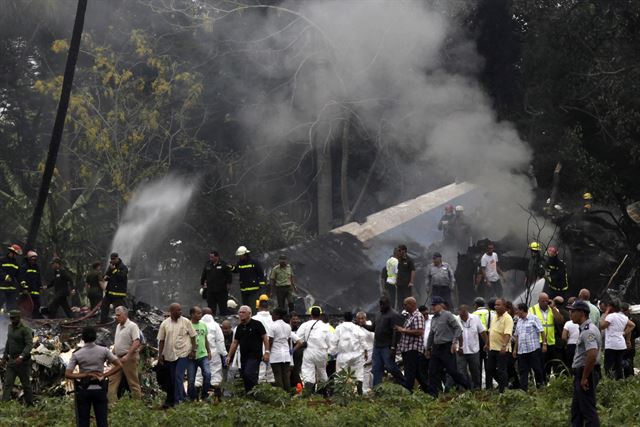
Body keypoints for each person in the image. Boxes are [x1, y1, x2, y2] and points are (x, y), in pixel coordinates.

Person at [65, 326, 123, 427]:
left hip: (84, 389)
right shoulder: (104, 350)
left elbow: (68, 374)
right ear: (95, 337)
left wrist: (85, 374)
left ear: (83, 339)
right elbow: (119, 365)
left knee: (83, 420)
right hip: (100, 388)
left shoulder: (77, 354)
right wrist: (105, 375)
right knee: (102, 420)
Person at [426, 296, 470, 395]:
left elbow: (458, 329)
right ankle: (433, 394)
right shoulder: (433, 319)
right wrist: (428, 348)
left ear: (441, 305)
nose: (433, 307)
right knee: (432, 371)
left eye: (435, 305)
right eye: (432, 305)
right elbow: (431, 334)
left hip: (447, 347)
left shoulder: (448, 315)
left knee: (452, 371)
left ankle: (468, 386)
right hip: (436, 348)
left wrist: (454, 342)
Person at [568, 300, 601, 426]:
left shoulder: (588, 331)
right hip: (582, 372)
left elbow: (592, 354)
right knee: (576, 410)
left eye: (573, 311)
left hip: (586, 372)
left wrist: (584, 377)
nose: (570, 314)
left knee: (588, 409)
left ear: (582, 313)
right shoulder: (585, 328)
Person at [157, 303, 197, 407]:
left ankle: (179, 401)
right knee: (172, 378)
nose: (180, 312)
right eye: (178, 310)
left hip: (183, 353)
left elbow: (193, 336)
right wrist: (160, 354)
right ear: (171, 311)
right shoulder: (165, 324)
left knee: (178, 376)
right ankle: (179, 397)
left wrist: (193, 350)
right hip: (170, 355)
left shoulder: (186, 322)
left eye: (180, 310)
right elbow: (161, 340)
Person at [226, 305, 270, 393]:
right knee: (244, 376)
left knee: (249, 373)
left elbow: (265, 338)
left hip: (254, 356)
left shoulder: (257, 324)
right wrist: (229, 355)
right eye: (240, 312)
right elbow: (235, 342)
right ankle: (249, 394)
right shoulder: (239, 327)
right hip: (243, 356)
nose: (241, 314)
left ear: (249, 314)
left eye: (243, 312)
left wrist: (267, 352)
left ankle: (254, 392)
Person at [368, 296, 405, 387]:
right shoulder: (378, 314)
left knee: (390, 367)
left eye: (383, 304)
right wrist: (362, 325)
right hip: (377, 346)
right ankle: (377, 389)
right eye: (380, 303)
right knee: (376, 368)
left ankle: (404, 384)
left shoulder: (394, 315)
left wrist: (393, 347)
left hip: (387, 346)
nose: (381, 305)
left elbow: (396, 333)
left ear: (388, 304)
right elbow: (373, 328)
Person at [293, 306, 331, 394]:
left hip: (309, 352)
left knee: (308, 372)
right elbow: (330, 342)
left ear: (311, 315)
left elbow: (297, 339)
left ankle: (308, 395)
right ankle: (323, 394)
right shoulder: (326, 326)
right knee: (322, 372)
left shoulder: (305, 325)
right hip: (322, 353)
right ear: (320, 315)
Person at [108, 306, 142, 401]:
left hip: (129, 358)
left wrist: (128, 355)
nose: (116, 317)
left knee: (132, 381)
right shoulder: (118, 326)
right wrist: (111, 355)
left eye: (119, 315)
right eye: (116, 315)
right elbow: (118, 342)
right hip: (118, 358)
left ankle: (137, 404)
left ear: (125, 315)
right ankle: (111, 404)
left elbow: (137, 342)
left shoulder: (132, 326)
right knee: (112, 380)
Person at [395, 297, 429, 393]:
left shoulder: (418, 316)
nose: (404, 306)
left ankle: (407, 393)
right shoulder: (410, 316)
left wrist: (403, 330)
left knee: (409, 373)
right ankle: (430, 392)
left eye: (406, 304)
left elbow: (419, 332)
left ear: (412, 304)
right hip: (407, 349)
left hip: (413, 349)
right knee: (418, 374)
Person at [1, 310, 33, 405]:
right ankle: (4, 404)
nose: (12, 320)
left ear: (19, 318)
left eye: (13, 318)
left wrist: (22, 356)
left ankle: (30, 404)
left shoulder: (25, 329)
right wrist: (4, 356)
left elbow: (29, 345)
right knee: (8, 383)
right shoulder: (10, 327)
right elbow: (8, 342)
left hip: (23, 362)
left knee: (26, 385)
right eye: (10, 318)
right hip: (12, 360)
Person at [529, 292, 565, 378]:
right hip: (538, 341)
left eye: (546, 301)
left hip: (551, 341)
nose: (545, 303)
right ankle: (541, 382)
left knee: (550, 364)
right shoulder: (532, 310)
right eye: (543, 301)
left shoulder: (552, 309)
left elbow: (560, 321)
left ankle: (548, 380)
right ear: (538, 301)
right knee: (540, 364)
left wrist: (553, 308)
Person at [332, 311, 368, 394]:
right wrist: (365, 351)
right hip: (357, 355)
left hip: (343, 355)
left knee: (340, 375)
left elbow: (334, 341)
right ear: (353, 318)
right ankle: (359, 394)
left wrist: (333, 352)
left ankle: (340, 394)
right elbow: (363, 340)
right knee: (359, 374)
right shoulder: (357, 328)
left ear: (343, 318)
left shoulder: (339, 328)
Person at [513, 303, 546, 391]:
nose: (516, 312)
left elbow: (542, 331)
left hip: (533, 349)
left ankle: (540, 387)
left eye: (518, 310)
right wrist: (515, 349)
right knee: (523, 371)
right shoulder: (519, 321)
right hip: (522, 351)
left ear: (522, 310)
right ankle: (524, 390)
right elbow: (517, 336)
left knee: (537, 369)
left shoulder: (534, 318)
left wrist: (544, 344)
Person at [599, 299, 635, 379]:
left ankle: (610, 383)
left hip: (611, 345)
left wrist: (606, 312)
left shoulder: (610, 316)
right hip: (621, 345)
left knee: (608, 366)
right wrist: (623, 333)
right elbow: (632, 325)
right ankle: (620, 381)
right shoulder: (623, 317)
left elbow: (601, 326)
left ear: (611, 307)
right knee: (618, 366)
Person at [196, 307, 227, 401]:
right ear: (212, 314)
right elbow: (220, 341)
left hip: (199, 353)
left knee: (199, 374)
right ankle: (216, 397)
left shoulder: (197, 324)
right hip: (213, 354)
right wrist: (224, 354)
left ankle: (197, 396)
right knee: (215, 374)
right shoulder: (215, 325)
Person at [485, 298, 513, 393]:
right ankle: (505, 384)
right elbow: (491, 331)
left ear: (504, 306)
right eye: (495, 305)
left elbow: (507, 334)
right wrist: (487, 343)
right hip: (493, 348)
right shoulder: (494, 317)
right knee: (489, 369)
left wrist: (504, 346)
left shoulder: (508, 318)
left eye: (498, 305)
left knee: (502, 370)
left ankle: (503, 392)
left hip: (502, 349)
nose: (496, 307)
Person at [457, 304, 486, 390]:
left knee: (475, 371)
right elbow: (454, 336)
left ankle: (477, 389)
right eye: (461, 316)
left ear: (467, 313)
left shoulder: (475, 318)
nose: (462, 318)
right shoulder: (456, 320)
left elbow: (482, 332)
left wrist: (487, 343)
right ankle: (464, 389)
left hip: (474, 350)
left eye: (464, 316)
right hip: (461, 351)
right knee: (461, 371)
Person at [186, 306, 212, 401]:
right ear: (192, 314)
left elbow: (205, 339)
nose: (200, 315)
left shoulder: (203, 324)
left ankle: (204, 395)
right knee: (191, 379)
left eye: (201, 313)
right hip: (191, 357)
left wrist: (208, 351)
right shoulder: (187, 325)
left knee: (207, 374)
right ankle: (191, 397)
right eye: (198, 313)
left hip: (203, 355)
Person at [200, 250, 233, 316]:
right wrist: (202, 284)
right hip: (210, 291)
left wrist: (228, 285)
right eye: (210, 257)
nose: (210, 259)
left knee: (223, 309)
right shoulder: (208, 264)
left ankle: (223, 322)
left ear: (217, 257)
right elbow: (203, 275)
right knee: (211, 309)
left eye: (212, 257)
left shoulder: (224, 264)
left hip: (222, 291)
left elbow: (229, 276)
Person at [100, 253, 128, 324]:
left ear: (117, 258)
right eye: (111, 259)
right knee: (104, 306)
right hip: (109, 292)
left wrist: (114, 270)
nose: (112, 260)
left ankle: (123, 322)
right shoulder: (111, 267)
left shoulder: (123, 267)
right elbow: (107, 274)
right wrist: (106, 277)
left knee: (119, 309)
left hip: (118, 293)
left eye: (113, 259)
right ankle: (103, 321)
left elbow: (122, 277)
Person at [472, 297, 494, 389]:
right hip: (488, 339)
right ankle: (489, 386)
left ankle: (478, 386)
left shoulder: (472, 314)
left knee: (478, 365)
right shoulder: (490, 313)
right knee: (488, 364)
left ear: (476, 305)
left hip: (477, 340)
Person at [269, 308, 293, 391]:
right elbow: (289, 341)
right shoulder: (288, 326)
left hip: (276, 355)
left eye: (273, 314)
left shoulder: (273, 326)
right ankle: (288, 393)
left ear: (277, 315)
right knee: (286, 376)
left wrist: (267, 352)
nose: (272, 316)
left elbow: (270, 341)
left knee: (277, 375)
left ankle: (281, 395)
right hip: (286, 355)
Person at [253, 295, 275, 383]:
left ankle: (260, 394)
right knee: (271, 376)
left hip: (259, 349)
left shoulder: (254, 319)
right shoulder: (274, 319)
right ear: (268, 306)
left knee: (260, 375)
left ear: (258, 306)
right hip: (273, 349)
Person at [355, 311, 375, 394]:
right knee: (360, 371)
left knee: (366, 370)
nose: (360, 320)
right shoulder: (355, 327)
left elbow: (374, 339)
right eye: (359, 318)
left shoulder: (370, 325)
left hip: (370, 351)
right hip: (359, 352)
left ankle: (365, 389)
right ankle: (363, 389)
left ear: (365, 319)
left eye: (362, 318)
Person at [19, 251, 42, 318]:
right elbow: (21, 278)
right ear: (28, 259)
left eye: (35, 260)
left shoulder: (36, 267)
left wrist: (40, 286)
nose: (33, 261)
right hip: (27, 292)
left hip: (35, 291)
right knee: (27, 306)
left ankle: (36, 320)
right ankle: (26, 319)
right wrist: (24, 289)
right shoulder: (24, 267)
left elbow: (38, 277)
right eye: (32, 259)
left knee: (37, 305)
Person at [0, 244, 22, 312]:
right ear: (11, 252)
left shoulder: (16, 264)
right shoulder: (2, 260)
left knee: (11, 306)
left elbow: (19, 276)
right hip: (1, 287)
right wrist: (5, 276)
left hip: (11, 288)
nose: (16, 256)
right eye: (15, 254)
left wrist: (23, 283)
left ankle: (9, 320)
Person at [395, 245, 416, 310]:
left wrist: (411, 282)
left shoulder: (409, 260)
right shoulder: (397, 260)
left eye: (399, 250)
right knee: (400, 300)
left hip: (407, 284)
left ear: (404, 251)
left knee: (407, 300)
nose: (398, 252)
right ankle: (401, 313)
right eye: (398, 250)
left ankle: (408, 313)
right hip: (399, 284)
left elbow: (413, 270)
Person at [621, 303, 638, 377]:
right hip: (622, 344)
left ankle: (629, 378)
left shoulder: (633, 319)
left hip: (629, 344)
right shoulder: (621, 319)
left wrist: (632, 336)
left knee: (629, 363)